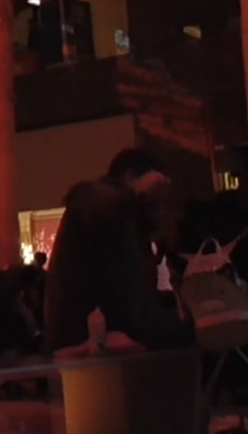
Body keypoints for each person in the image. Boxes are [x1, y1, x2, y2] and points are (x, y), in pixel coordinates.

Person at [42, 148, 191, 355]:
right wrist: (140, 194)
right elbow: (105, 208)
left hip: (107, 331)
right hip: (91, 335)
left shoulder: (130, 221)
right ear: (131, 177)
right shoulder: (94, 198)